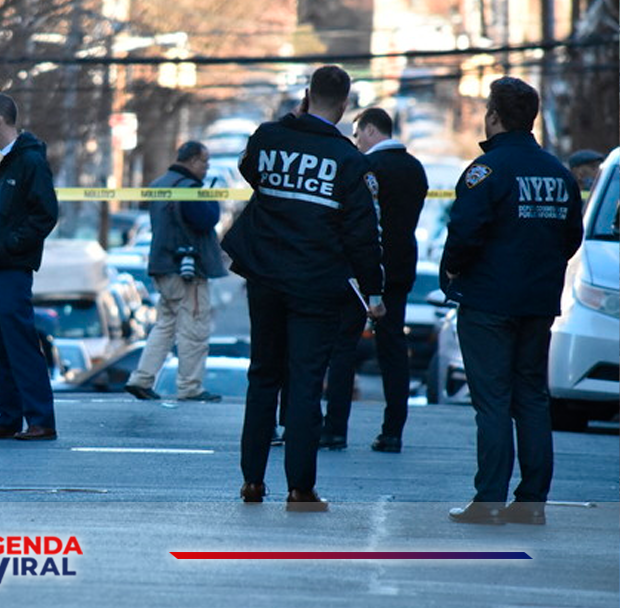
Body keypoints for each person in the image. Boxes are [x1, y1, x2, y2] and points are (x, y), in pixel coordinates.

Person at [221, 65, 384, 511]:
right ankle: (300, 488)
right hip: (316, 281)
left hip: (265, 276)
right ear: (345, 107)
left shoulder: (269, 137)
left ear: (306, 96)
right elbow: (362, 235)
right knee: (306, 383)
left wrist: (292, 121)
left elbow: (250, 171)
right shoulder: (349, 161)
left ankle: (252, 481)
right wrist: (374, 293)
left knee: (263, 376)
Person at [444, 77, 584, 526]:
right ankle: (532, 502)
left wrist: (453, 271)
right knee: (531, 399)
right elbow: (571, 237)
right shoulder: (559, 174)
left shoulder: (487, 171)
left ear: (493, 117)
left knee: (492, 401)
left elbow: (464, 233)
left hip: (489, 301)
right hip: (537, 302)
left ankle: (489, 500)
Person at [320, 107, 428, 452]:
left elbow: (358, 224)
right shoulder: (415, 168)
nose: (356, 142)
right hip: (401, 268)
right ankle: (393, 431)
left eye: (357, 135)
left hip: (362, 270)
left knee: (344, 347)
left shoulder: (365, 167)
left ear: (369, 130)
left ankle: (335, 429)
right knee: (393, 350)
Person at [0, 93, 59, 441]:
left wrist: (10, 245)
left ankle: (41, 420)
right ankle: (8, 417)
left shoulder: (29, 161)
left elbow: (45, 214)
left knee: (19, 343)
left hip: (11, 269)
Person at [123, 140, 226, 402]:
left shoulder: (160, 184)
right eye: (205, 162)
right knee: (194, 328)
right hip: (187, 271)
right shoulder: (189, 189)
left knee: (165, 326)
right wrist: (211, 198)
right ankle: (190, 387)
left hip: (162, 267)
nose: (207, 168)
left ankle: (141, 379)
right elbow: (206, 219)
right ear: (192, 160)